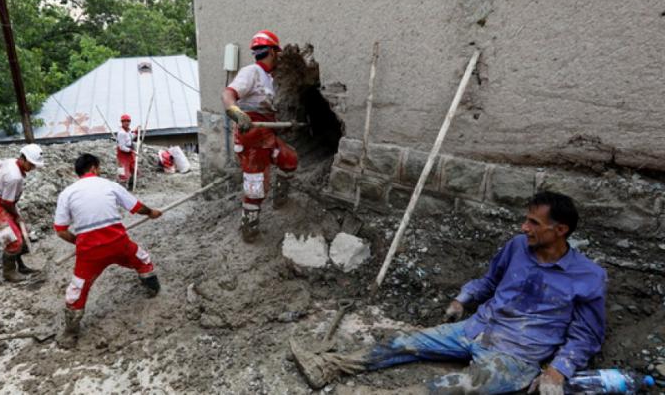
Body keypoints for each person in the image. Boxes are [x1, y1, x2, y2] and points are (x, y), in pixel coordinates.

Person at [291, 191, 607, 395]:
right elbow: (489, 281)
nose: (524, 227)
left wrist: (558, 369)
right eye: (526, 220)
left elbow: (586, 336)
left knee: (447, 389)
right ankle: (329, 367)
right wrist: (462, 299)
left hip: (517, 356)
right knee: (405, 342)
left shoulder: (589, 277)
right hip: (478, 328)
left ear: (560, 230)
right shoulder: (517, 247)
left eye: (533, 222)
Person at [53, 153, 163, 348]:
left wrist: (79, 241)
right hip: (118, 243)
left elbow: (61, 231)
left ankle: (70, 334)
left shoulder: (67, 193)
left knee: (77, 290)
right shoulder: (109, 185)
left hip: (89, 252)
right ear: (95, 167)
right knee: (142, 259)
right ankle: (153, 289)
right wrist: (152, 212)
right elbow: (137, 207)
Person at [221, 29, 298, 242]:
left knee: (289, 159)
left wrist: (279, 127)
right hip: (252, 137)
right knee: (255, 190)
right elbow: (228, 94)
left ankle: (280, 200)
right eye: (277, 53)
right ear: (272, 52)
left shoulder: (268, 78)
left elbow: (265, 109)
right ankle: (250, 229)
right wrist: (236, 113)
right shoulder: (251, 72)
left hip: (267, 134)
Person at [0, 144, 44, 282]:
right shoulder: (14, 177)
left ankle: (20, 266)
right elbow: (7, 203)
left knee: (21, 234)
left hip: (2, 203)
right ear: (23, 159)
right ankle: (8, 272)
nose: (33, 168)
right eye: (32, 164)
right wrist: (16, 216)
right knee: (13, 240)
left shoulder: (10, 161)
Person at [116, 114, 140, 189]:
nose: (127, 123)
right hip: (123, 153)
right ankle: (121, 187)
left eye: (128, 121)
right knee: (123, 171)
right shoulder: (121, 133)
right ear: (122, 122)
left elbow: (130, 138)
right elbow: (122, 147)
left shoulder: (128, 131)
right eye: (125, 121)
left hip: (129, 153)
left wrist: (136, 132)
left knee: (133, 168)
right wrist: (131, 151)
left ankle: (131, 185)